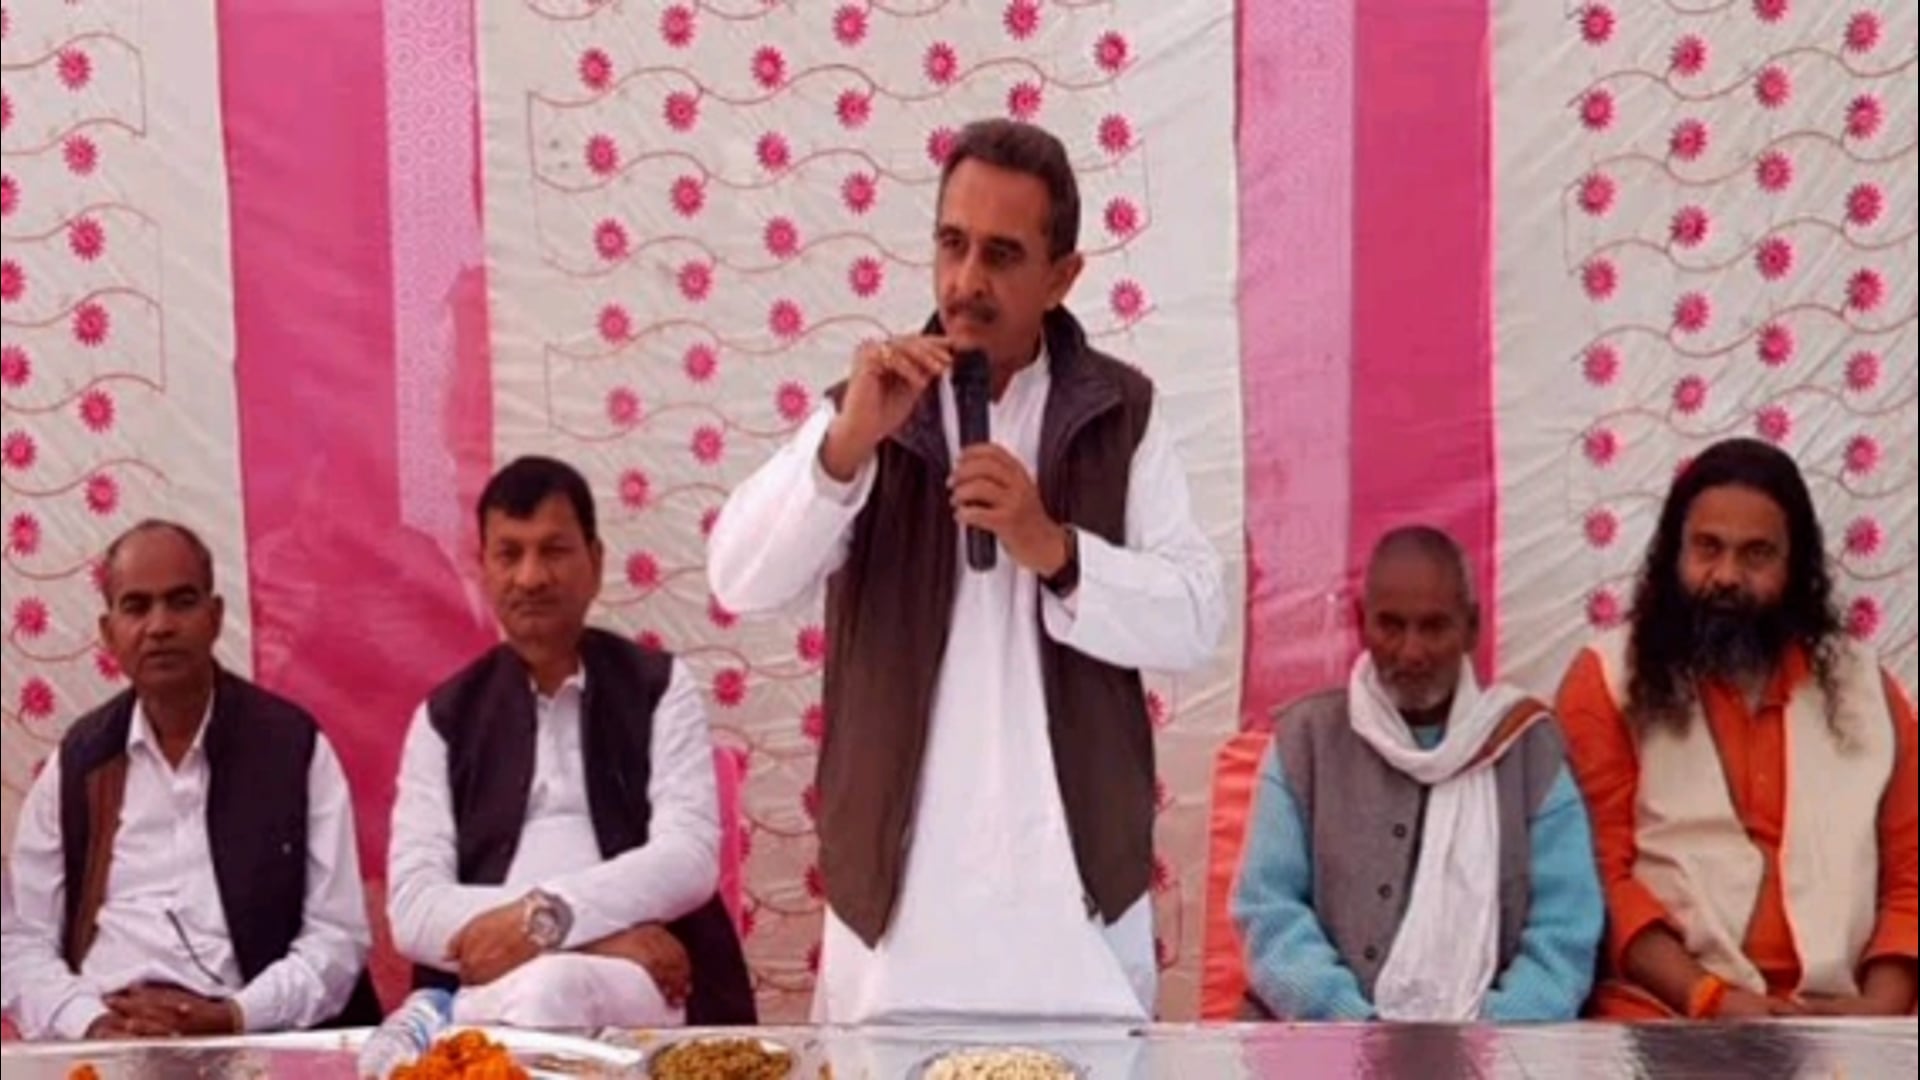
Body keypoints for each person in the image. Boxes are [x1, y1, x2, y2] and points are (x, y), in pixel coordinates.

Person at [709, 117, 1224, 1024]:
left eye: (1002, 254)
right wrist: (845, 448)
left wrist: (1056, 550)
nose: (966, 281)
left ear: (1063, 277)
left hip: (1071, 912)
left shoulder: (1121, 414)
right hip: (902, 918)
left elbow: (1195, 618)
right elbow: (738, 580)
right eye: (952, 244)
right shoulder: (873, 408)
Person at [387, 456, 755, 1028]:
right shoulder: (444, 718)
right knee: (544, 989)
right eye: (509, 554)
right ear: (483, 568)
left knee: (550, 990)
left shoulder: (658, 686)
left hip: (648, 985)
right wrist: (583, 935)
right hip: (499, 984)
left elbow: (688, 859)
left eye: (554, 551)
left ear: (596, 561)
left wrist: (549, 923)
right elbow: (413, 909)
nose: (531, 577)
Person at [1558, 438, 1917, 1019]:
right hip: (1667, 1017)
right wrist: (1709, 998)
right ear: (1673, 553)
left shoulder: (1868, 691)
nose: (1726, 576)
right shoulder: (1606, 680)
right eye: (1707, 548)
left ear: (1796, 568)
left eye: (1756, 555)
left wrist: (1880, 1014)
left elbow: (1911, 877)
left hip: (1839, 1018)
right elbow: (1599, 879)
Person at [5, 520, 377, 1040]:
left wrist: (234, 1017)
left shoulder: (291, 748)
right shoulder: (80, 762)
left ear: (215, 617)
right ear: (109, 633)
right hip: (109, 1038)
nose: (159, 626)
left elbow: (337, 937)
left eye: (181, 602)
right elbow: (20, 943)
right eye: (136, 607)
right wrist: (94, 1024)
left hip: (251, 1037)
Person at [1233, 527, 1601, 1022]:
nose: (1411, 651)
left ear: (1471, 628)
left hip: (1497, 1046)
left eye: (1433, 627)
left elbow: (1565, 939)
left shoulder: (1529, 751)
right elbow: (1268, 914)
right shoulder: (1304, 743)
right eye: (1391, 626)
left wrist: (1485, 1039)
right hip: (1318, 1040)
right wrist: (1357, 1027)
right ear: (1361, 623)